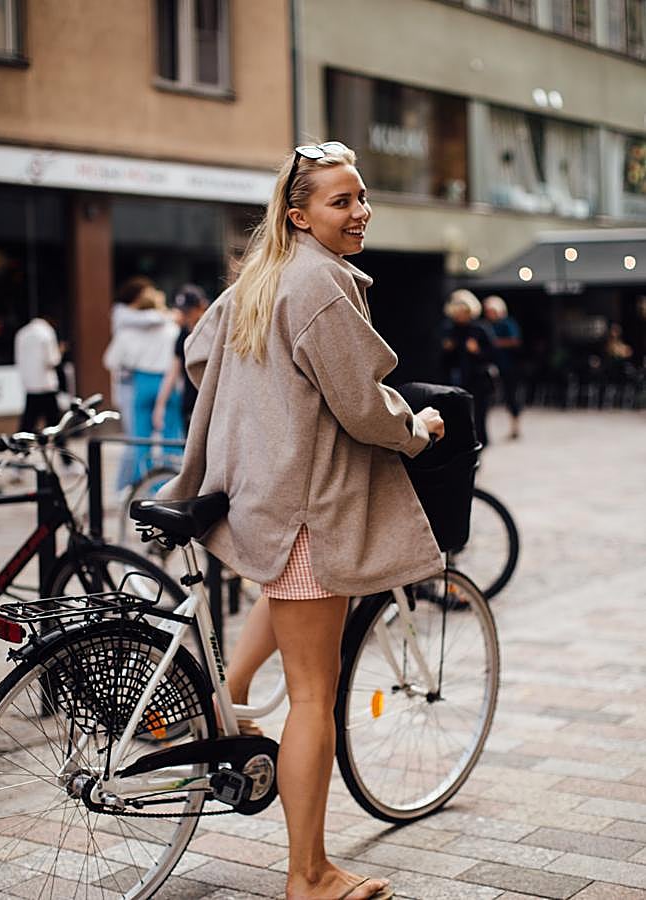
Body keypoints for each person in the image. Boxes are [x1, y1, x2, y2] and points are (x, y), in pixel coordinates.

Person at [159, 141, 445, 900]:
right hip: (310, 506)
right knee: (317, 691)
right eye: (340, 202)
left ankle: (228, 695)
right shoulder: (322, 283)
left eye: (361, 197)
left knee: (282, 601)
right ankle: (308, 875)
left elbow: (197, 357)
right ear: (299, 215)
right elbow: (360, 403)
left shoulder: (262, 277)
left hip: (263, 499)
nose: (360, 212)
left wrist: (265, 413)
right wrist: (416, 426)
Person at [103, 285, 181, 488]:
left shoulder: (128, 333)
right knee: (171, 436)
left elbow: (110, 361)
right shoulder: (171, 329)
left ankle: (141, 484)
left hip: (141, 382)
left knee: (140, 438)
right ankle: (169, 485)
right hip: (167, 382)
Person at [14, 315, 73, 468]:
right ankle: (67, 462)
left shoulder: (22, 333)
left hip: (31, 386)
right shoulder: (46, 333)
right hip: (46, 386)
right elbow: (52, 360)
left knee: (26, 427)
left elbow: (18, 360)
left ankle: (19, 462)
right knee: (55, 427)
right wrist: (60, 351)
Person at [152, 284, 209, 437]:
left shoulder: (211, 331)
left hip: (210, 399)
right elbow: (173, 370)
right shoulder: (183, 333)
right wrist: (160, 404)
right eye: (183, 312)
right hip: (190, 399)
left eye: (189, 311)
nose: (186, 316)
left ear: (201, 307)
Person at [441, 289, 495, 447]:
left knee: (478, 418)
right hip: (456, 381)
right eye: (457, 313)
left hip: (478, 381)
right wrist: (447, 350)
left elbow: (492, 355)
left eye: (464, 312)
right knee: (459, 417)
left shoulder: (480, 329)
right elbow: (442, 361)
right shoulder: (449, 330)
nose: (460, 316)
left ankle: (479, 446)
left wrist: (477, 351)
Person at [483, 294, 523, 440]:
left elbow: (515, 341)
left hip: (508, 366)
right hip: (491, 366)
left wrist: (494, 343)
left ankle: (515, 426)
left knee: (511, 397)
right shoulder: (486, 325)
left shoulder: (507, 323)